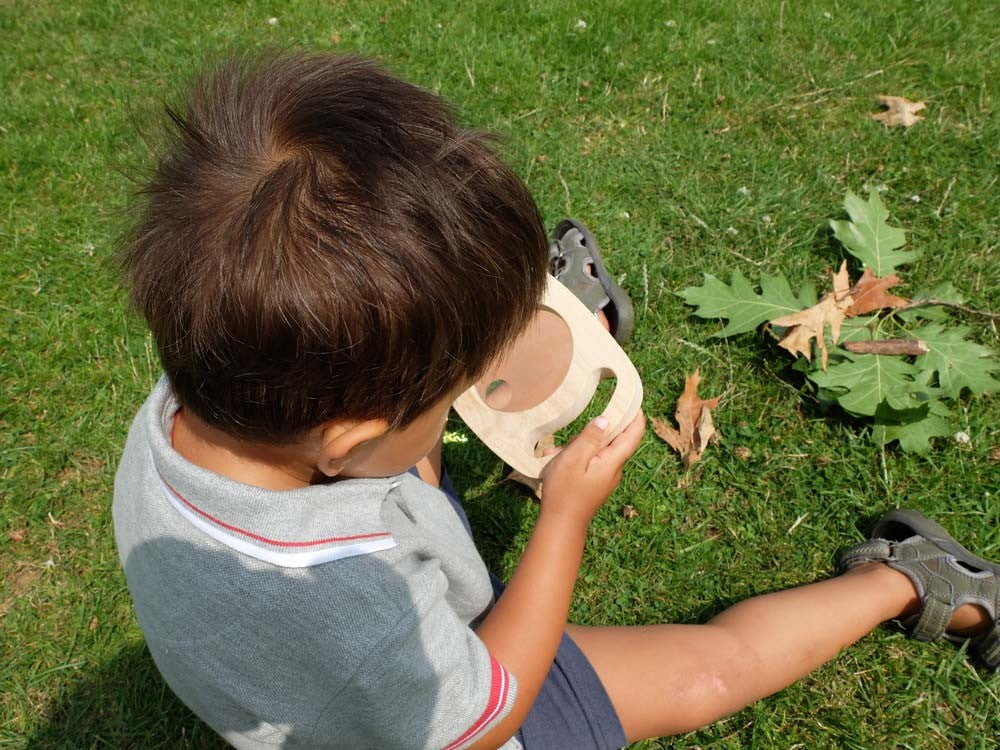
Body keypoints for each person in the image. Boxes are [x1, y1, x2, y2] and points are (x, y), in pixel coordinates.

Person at [113, 51, 1000, 750]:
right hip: (450, 695)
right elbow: (486, 714)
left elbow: (383, 442)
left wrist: (426, 384)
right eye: (455, 383)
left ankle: (536, 317)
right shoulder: (362, 609)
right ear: (346, 439)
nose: (460, 399)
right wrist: (564, 517)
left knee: (412, 396)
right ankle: (911, 575)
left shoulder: (203, 397)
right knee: (709, 675)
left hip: (334, 586)